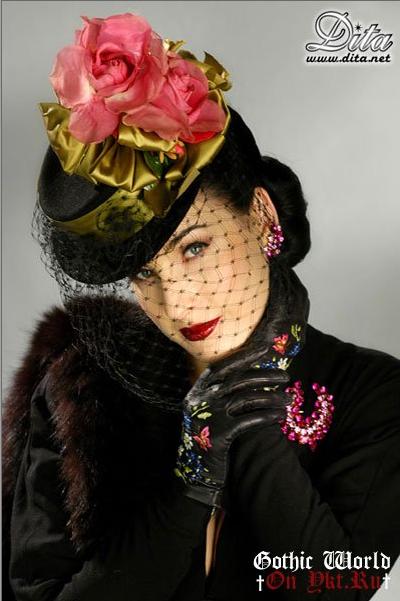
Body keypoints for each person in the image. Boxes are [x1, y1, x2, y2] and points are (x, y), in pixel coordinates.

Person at [2, 11, 400, 601]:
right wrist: (190, 485)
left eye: (195, 248)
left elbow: (336, 588)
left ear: (259, 214)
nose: (176, 299)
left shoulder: (374, 394)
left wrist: (251, 423)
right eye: (145, 272)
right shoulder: (80, 391)